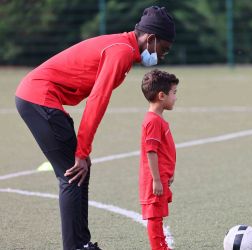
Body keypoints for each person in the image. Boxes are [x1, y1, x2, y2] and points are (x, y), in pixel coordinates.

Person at [14, 6, 175, 250]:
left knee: (80, 171)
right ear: (150, 39)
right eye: (162, 49)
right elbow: (97, 101)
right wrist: (81, 151)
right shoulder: (121, 52)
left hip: (42, 98)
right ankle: (76, 246)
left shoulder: (125, 49)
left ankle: (82, 243)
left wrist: (82, 152)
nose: (161, 56)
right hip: (38, 97)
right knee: (71, 174)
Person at [139, 69, 179, 250]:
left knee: (158, 215)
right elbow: (151, 151)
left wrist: (168, 173)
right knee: (154, 216)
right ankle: (158, 248)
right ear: (161, 95)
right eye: (174, 93)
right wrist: (156, 179)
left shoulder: (158, 119)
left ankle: (161, 245)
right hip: (154, 179)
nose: (176, 97)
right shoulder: (153, 121)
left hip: (161, 176)